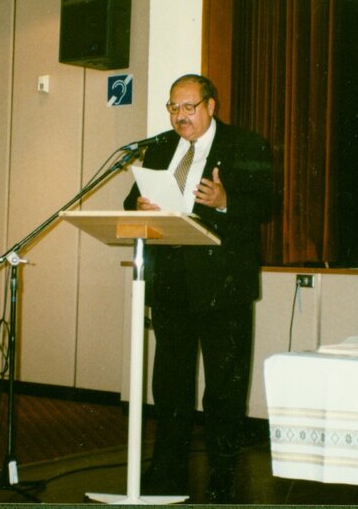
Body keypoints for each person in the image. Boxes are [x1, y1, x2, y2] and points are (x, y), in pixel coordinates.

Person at [123, 74, 274, 503]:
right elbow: (129, 203)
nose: (180, 116)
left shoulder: (247, 145)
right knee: (169, 384)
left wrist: (225, 200)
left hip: (223, 286)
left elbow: (266, 205)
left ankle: (223, 473)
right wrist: (139, 207)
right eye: (173, 107)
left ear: (211, 106)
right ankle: (166, 469)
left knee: (224, 387)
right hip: (171, 285)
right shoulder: (159, 149)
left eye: (189, 107)